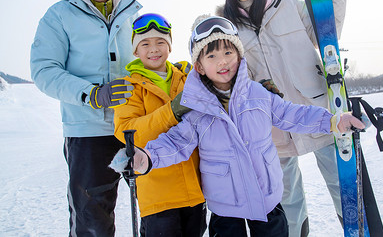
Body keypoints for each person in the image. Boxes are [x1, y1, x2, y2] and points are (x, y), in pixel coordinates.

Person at [121, 15, 364, 237]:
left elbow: (294, 115)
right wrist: (148, 156)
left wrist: (333, 121)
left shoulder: (258, 94)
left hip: (267, 199)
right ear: (200, 66)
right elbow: (176, 141)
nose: (222, 62)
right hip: (226, 209)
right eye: (212, 56)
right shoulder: (197, 109)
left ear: (239, 55)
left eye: (228, 52)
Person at [217, 0, 348, 236]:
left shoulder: (289, 6)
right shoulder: (230, 28)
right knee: (287, 198)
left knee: (342, 184)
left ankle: (356, 227)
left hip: (318, 112)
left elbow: (324, 35)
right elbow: (237, 75)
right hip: (273, 123)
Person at [30, 0, 142, 236]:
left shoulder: (134, 14)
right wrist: (91, 93)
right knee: (93, 220)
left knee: (158, 209)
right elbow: (44, 70)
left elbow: (151, 60)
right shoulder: (59, 16)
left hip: (135, 126)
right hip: (88, 133)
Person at [113, 13, 206, 236]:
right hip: (158, 197)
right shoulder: (130, 87)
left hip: (195, 190)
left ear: (170, 46)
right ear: (135, 51)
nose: (153, 49)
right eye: (145, 44)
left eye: (160, 42)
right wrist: (170, 112)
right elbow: (126, 132)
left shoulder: (186, 78)